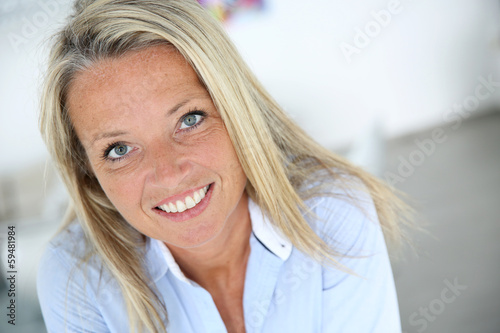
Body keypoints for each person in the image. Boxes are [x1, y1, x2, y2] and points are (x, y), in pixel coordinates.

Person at [37, 0, 411, 332]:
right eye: (119, 149)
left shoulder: (334, 213)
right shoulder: (75, 279)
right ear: (87, 170)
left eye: (190, 119)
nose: (168, 173)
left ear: (238, 113)